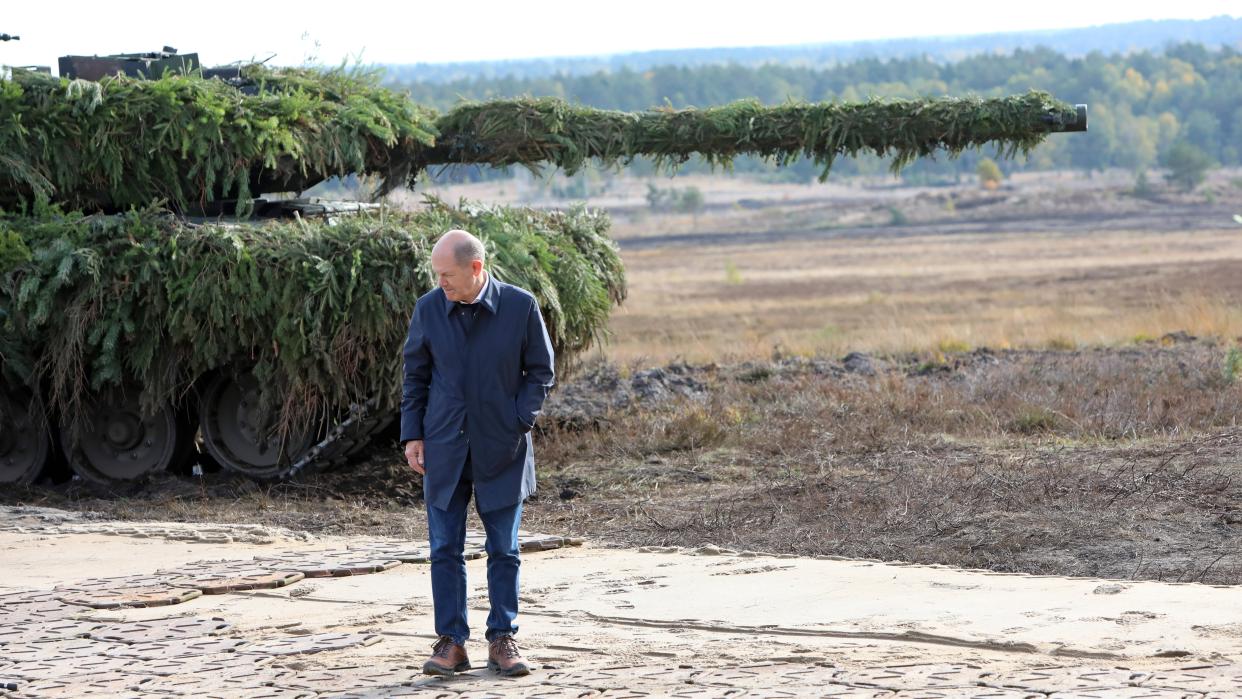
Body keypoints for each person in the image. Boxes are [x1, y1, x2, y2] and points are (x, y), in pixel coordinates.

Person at [401, 228, 555, 678]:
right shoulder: (429, 309)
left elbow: (541, 372)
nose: (441, 283)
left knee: (503, 549)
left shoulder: (520, 306)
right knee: (444, 548)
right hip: (444, 447)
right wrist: (414, 435)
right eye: (437, 275)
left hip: (502, 446)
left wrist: (518, 420)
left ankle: (503, 639)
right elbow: (415, 377)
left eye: (447, 275)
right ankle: (451, 643)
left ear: (475, 268)